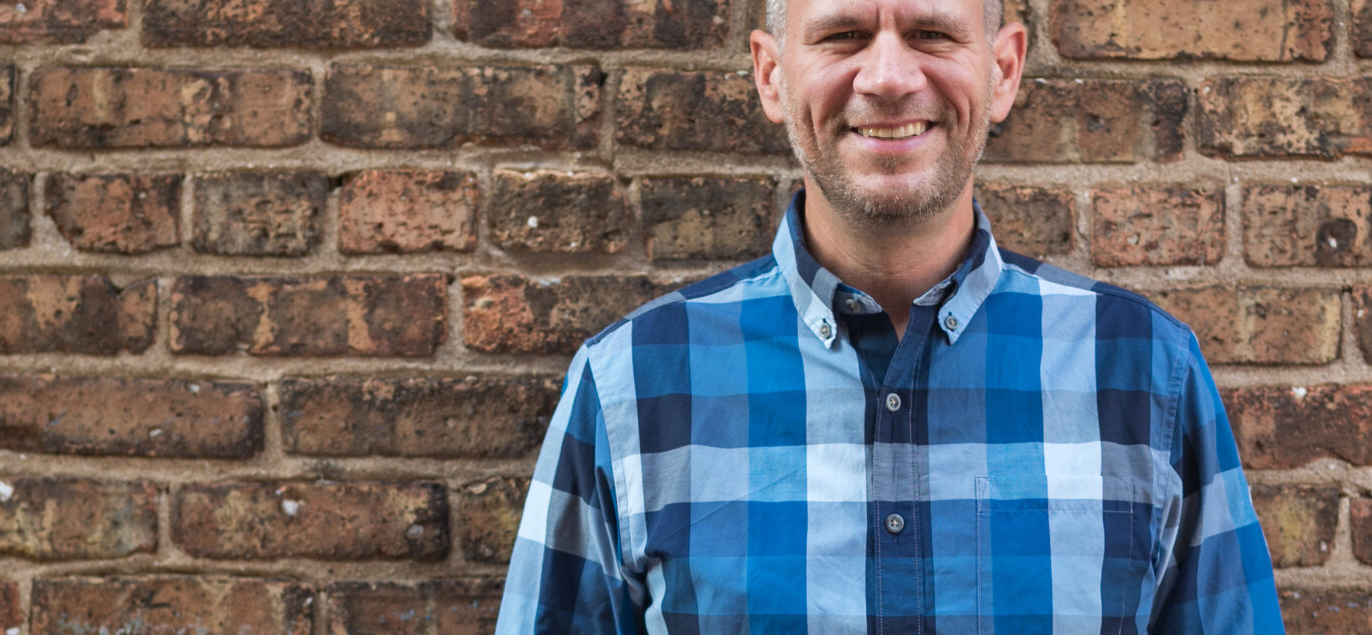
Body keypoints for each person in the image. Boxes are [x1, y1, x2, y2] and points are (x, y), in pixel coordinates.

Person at [496, 0, 1284, 631]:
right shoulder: (630, 385)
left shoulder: (1147, 374)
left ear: (1003, 70)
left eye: (931, 33)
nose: (888, 76)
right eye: (842, 35)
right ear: (772, 76)